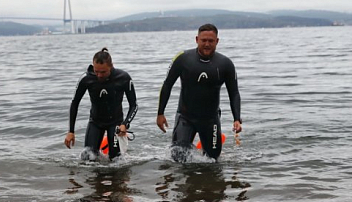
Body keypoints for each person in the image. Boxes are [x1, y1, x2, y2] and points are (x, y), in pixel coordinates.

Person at [156, 24, 241, 161]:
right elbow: (167, 85)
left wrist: (237, 118)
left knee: (212, 161)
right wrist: (160, 113)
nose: (207, 44)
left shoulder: (225, 64)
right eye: (203, 40)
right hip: (185, 117)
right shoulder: (183, 59)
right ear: (197, 39)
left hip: (210, 118)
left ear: (217, 41)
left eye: (211, 41)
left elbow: (234, 93)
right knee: (178, 157)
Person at [65, 48, 137, 160]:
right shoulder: (86, 79)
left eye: (103, 72)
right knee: (87, 159)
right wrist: (71, 131)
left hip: (115, 123)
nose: (99, 75)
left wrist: (125, 124)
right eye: (96, 71)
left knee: (116, 160)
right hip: (95, 122)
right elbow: (75, 103)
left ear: (111, 66)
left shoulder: (123, 78)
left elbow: (134, 105)